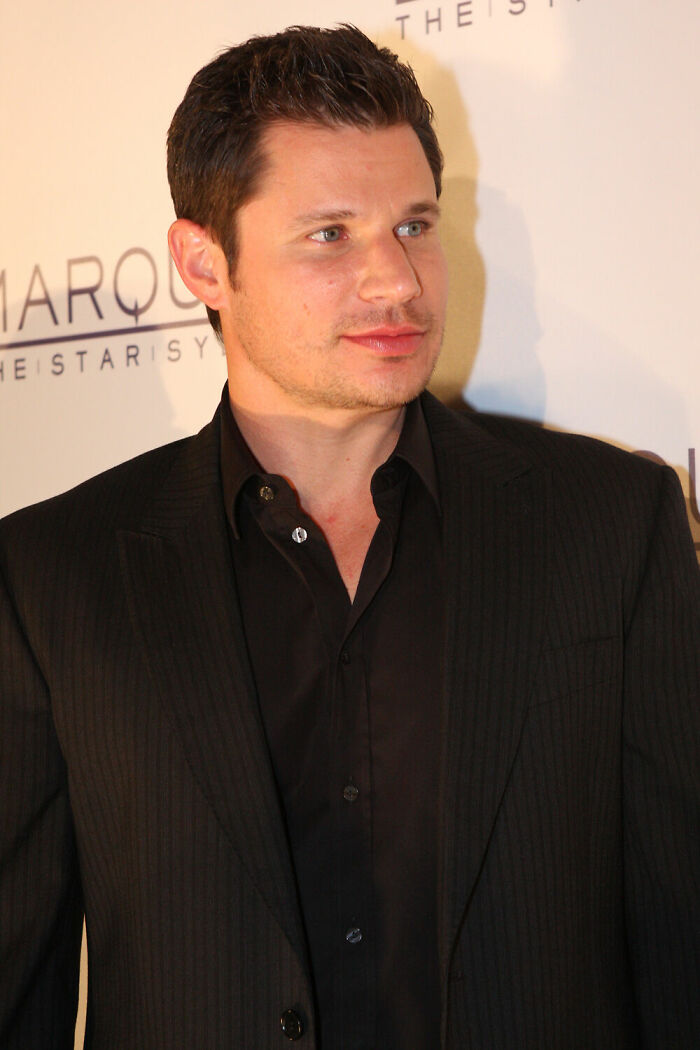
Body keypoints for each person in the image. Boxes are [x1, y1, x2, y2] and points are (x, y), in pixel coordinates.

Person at [1, 24, 698, 1050]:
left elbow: (683, 939)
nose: (396, 282)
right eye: (330, 235)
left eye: (414, 225)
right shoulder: (51, 579)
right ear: (203, 263)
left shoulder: (611, 524)